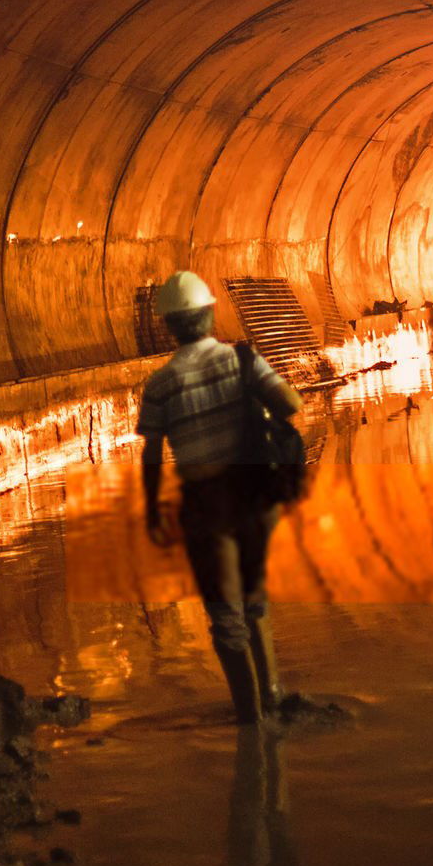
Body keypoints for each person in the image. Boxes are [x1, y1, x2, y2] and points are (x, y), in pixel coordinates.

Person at [136, 270, 303, 723]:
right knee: (254, 600)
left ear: (168, 325)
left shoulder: (159, 385)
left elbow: (152, 453)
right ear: (211, 314)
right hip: (252, 498)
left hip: (204, 507)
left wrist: (152, 510)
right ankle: (273, 697)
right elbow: (291, 405)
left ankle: (251, 720)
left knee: (225, 614)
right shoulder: (242, 360)